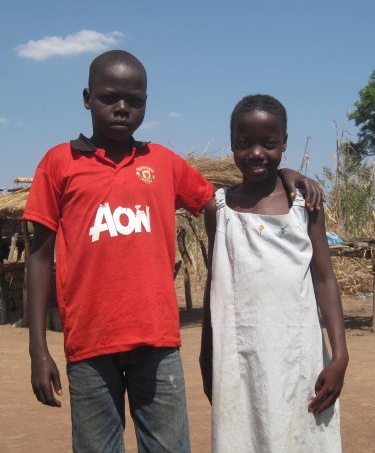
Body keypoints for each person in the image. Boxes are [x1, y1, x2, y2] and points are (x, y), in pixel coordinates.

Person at [24, 52, 324, 453]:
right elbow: (40, 258)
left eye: (135, 100)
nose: (122, 108)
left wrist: (284, 174)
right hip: (89, 344)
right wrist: (37, 349)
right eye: (109, 97)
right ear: (86, 97)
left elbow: (226, 199)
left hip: (158, 342)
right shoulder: (59, 163)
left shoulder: (162, 162)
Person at [200, 94, 348, 453]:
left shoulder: (305, 206)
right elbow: (216, 285)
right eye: (244, 143)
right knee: (247, 435)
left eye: (269, 143)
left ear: (284, 143)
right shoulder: (218, 208)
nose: (256, 153)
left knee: (303, 437)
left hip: (300, 355)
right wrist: (207, 354)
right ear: (231, 143)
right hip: (239, 356)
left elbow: (325, 278)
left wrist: (340, 355)